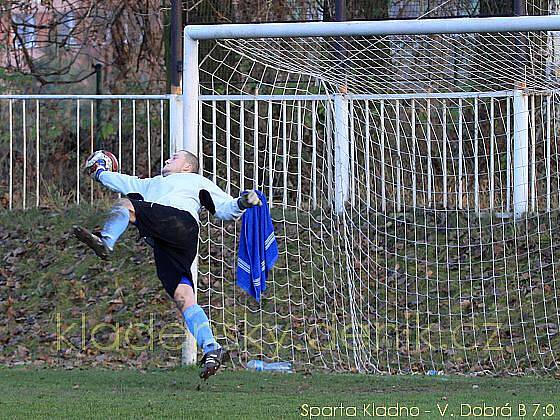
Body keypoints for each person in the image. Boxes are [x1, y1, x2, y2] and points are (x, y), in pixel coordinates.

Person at [73, 149, 261, 379]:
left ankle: (106, 241)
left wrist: (242, 202)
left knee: (125, 205)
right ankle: (212, 348)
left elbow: (223, 209)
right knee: (184, 297)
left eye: (174, 157)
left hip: (180, 223)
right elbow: (119, 180)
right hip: (168, 243)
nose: (167, 159)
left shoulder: (196, 180)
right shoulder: (150, 184)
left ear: (187, 167)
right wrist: (99, 171)